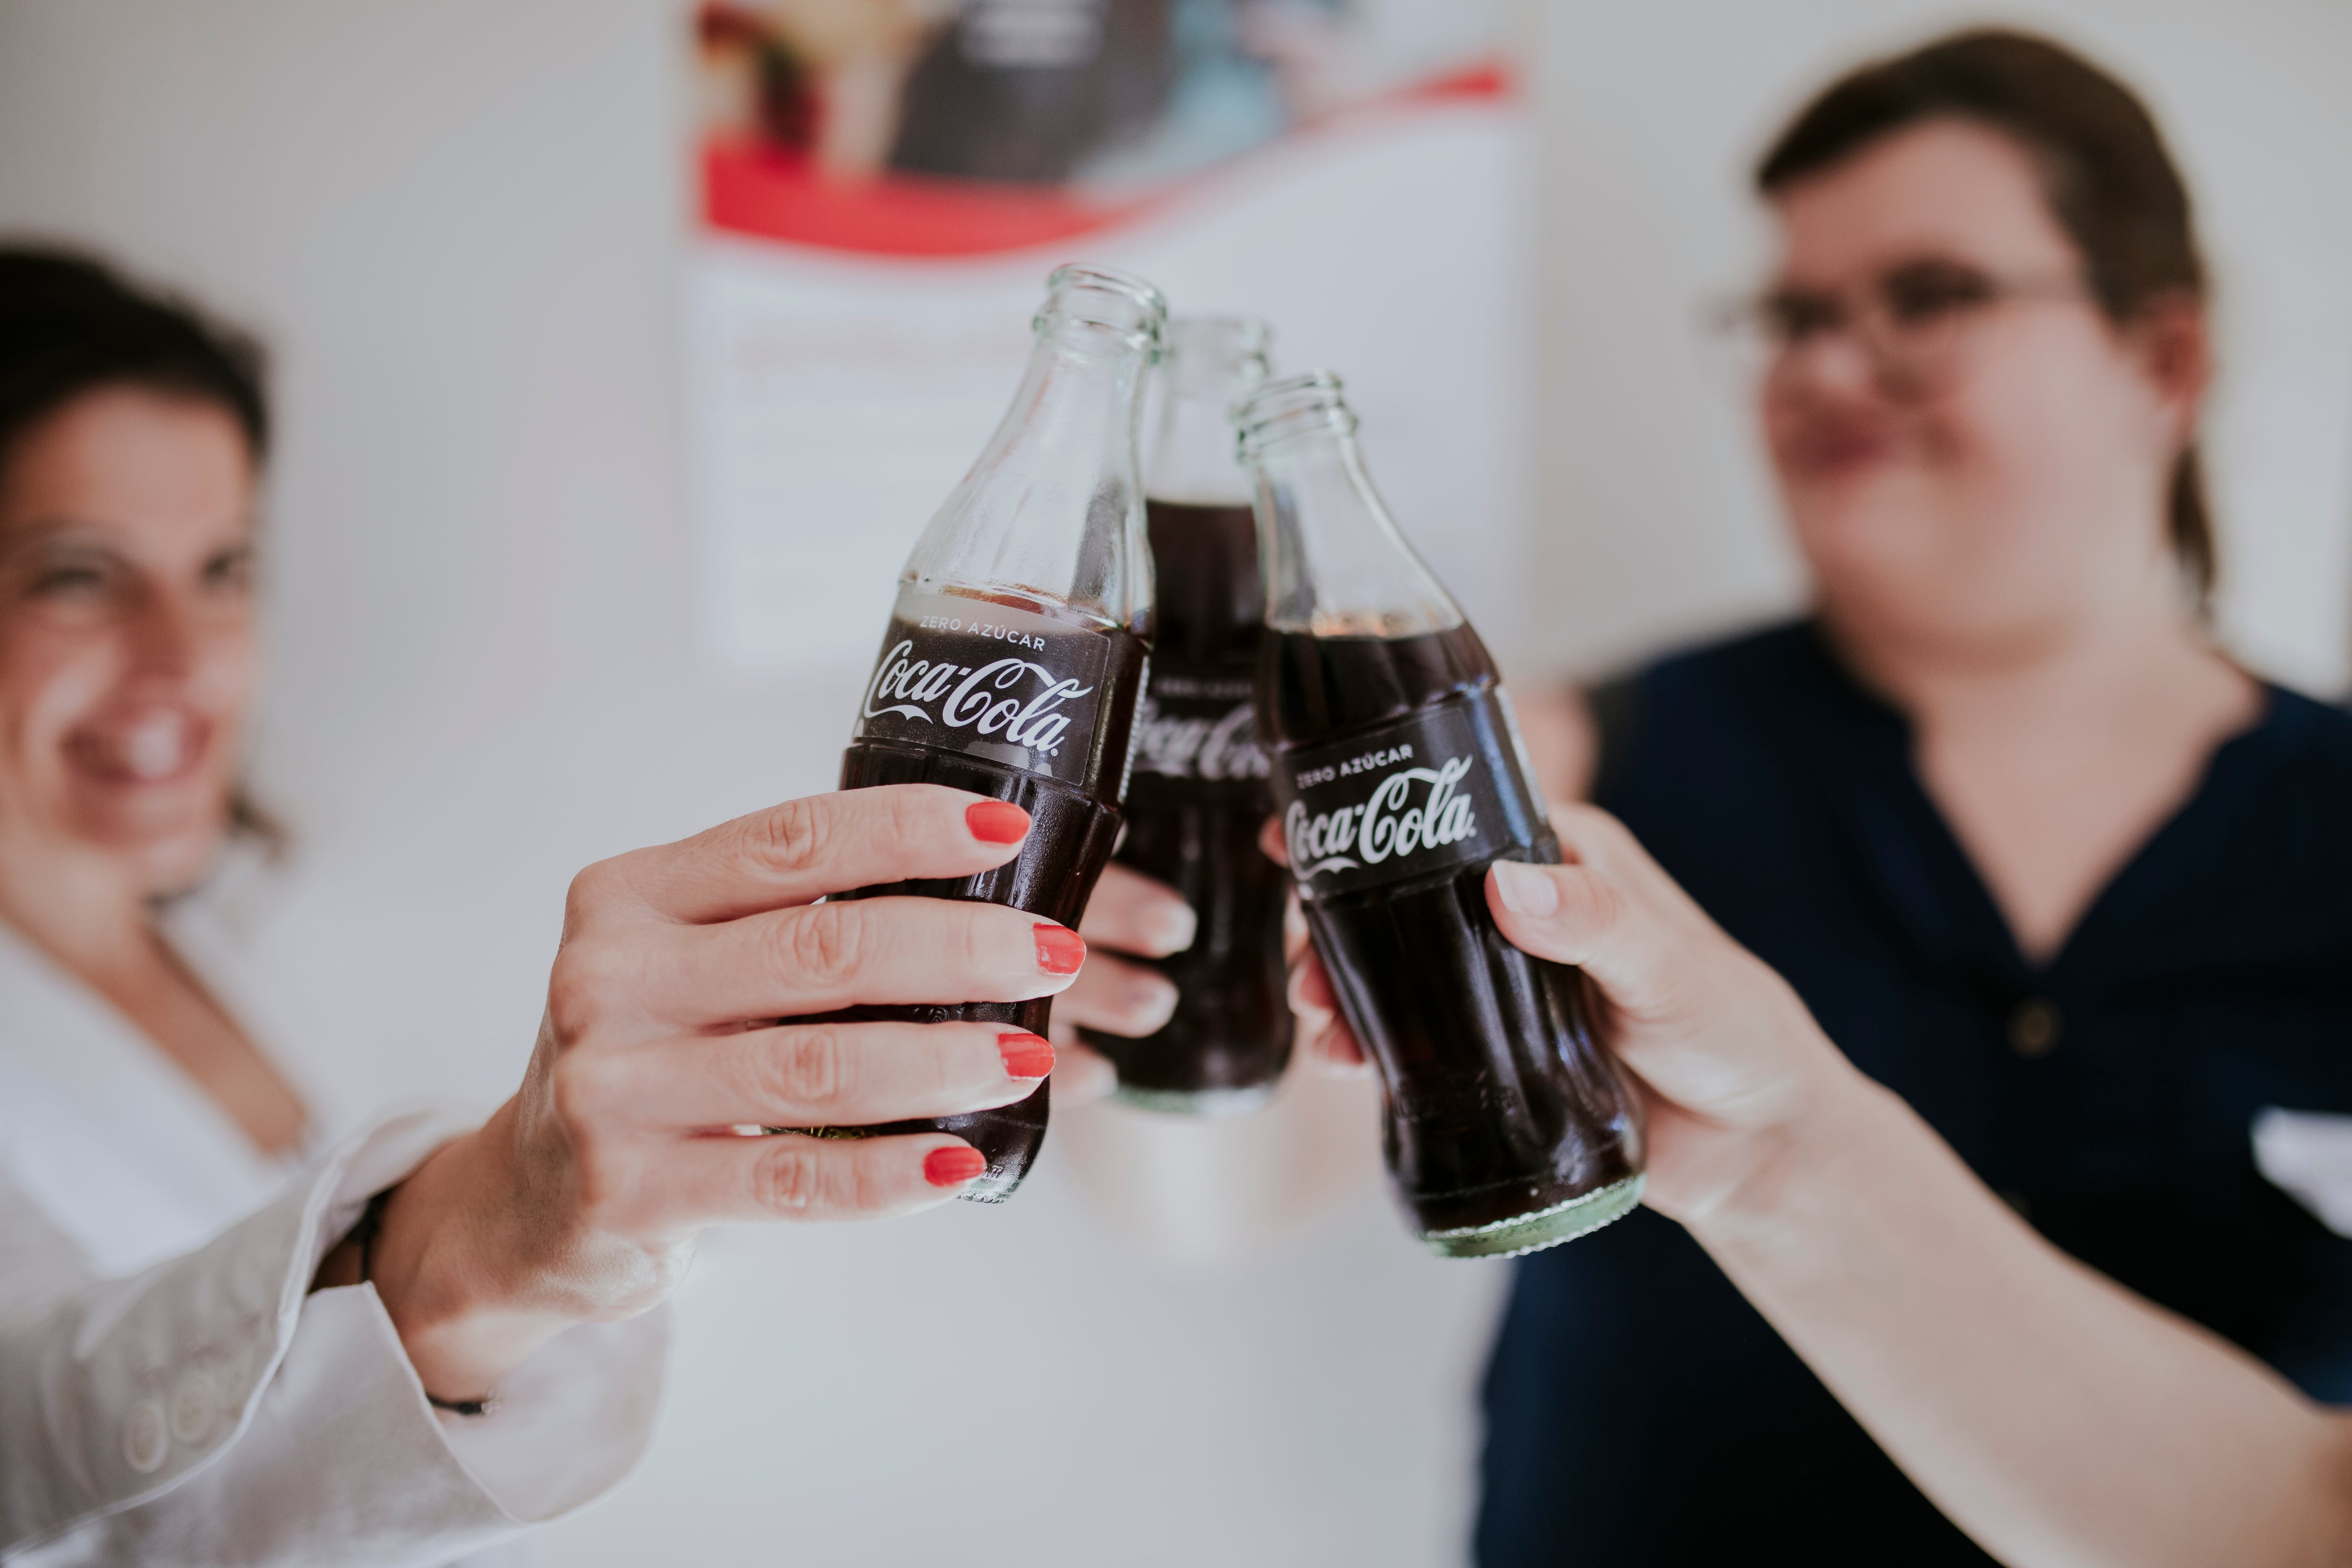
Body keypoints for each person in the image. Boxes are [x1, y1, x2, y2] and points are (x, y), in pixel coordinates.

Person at [1062, 26, 2352, 1563]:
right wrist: (1159, 960)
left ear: (2164, 356)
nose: (1820, 364)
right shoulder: (1555, 759)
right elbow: (1218, 1203)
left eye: (1927, 296)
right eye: (1792, 314)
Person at [0, 248, 1173, 1564]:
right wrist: (470, 1231)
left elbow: (325, 1430)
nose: (187, 658)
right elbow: (39, 1436)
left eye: (222, 570)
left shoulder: (257, 944)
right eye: (80, 576)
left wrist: (744, 1096)